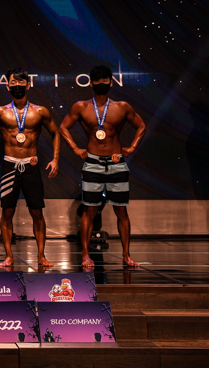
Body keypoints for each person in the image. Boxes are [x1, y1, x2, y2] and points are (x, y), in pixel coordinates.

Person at [59, 65, 145, 270]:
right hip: (93, 163)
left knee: (121, 210)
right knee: (89, 210)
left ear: (111, 82)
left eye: (104, 80)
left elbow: (141, 126)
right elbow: (63, 127)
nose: (101, 83)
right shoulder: (81, 107)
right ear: (91, 83)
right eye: (97, 80)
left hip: (116, 163)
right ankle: (85, 255)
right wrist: (75, 149)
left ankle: (126, 255)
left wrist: (132, 147)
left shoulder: (122, 107)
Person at [0, 68, 61, 268]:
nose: (17, 86)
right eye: (13, 83)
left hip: (31, 165)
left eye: (20, 82)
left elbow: (56, 133)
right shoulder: (0, 112)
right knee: (7, 212)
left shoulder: (40, 111)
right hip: (10, 166)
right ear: (7, 86)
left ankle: (41, 256)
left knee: (37, 213)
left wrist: (55, 159)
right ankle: (8, 255)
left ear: (28, 84)